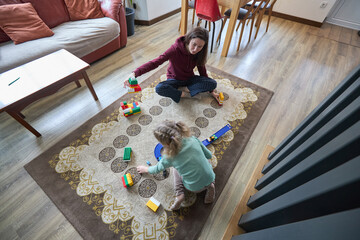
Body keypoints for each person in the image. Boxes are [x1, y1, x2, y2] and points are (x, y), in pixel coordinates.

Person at [125, 27, 220, 103]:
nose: (195, 49)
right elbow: (155, 62)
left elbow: (202, 71)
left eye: (200, 46)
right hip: (174, 79)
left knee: (213, 83)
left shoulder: (200, 52)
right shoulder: (174, 50)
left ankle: (185, 89)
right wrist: (134, 73)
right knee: (160, 88)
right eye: (194, 44)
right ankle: (184, 94)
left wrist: (211, 91)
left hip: (189, 79)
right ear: (189, 39)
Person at [137, 120, 216, 210]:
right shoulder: (192, 139)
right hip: (210, 177)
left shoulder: (169, 157)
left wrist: (146, 169)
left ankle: (180, 195)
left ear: (166, 144)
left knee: (175, 170)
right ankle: (211, 186)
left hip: (193, 188)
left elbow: (157, 169)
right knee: (205, 161)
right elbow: (209, 155)